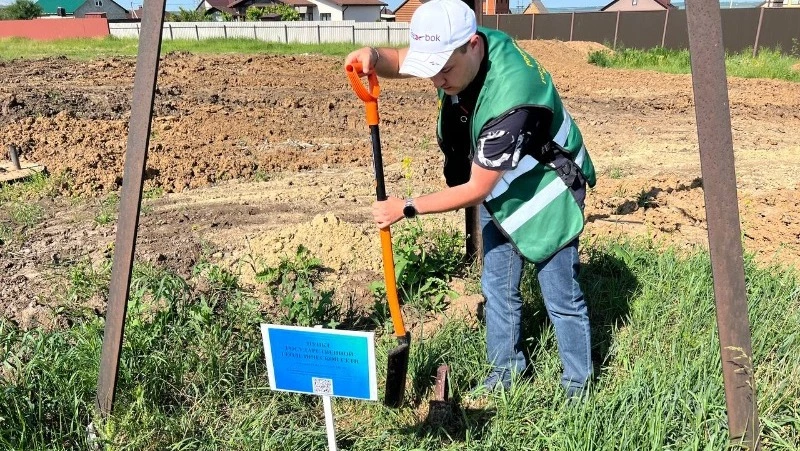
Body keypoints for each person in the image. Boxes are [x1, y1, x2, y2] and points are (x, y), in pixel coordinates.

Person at [344, 0, 597, 399]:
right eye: (433, 70)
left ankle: (577, 389)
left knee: (559, 292)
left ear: (473, 45)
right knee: (497, 284)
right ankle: (505, 376)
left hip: (550, 184)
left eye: (445, 69)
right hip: (505, 180)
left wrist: (405, 207)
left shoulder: (509, 101)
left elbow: (476, 189)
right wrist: (374, 56)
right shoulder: (464, 52)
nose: (438, 81)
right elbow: (401, 60)